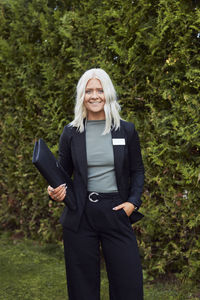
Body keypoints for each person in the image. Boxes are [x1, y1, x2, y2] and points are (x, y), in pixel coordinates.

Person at [47, 68, 145, 300]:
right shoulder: (70, 133)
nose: (94, 95)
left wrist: (133, 203)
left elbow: (137, 171)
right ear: (82, 95)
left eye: (99, 90)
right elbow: (62, 174)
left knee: (129, 285)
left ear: (108, 94)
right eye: (88, 90)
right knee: (82, 289)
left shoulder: (126, 130)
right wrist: (53, 190)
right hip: (81, 214)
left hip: (116, 212)